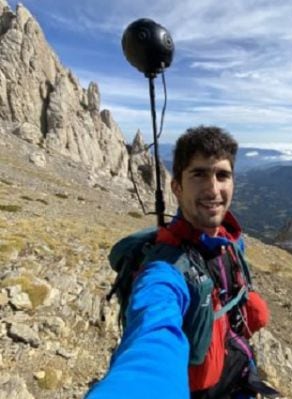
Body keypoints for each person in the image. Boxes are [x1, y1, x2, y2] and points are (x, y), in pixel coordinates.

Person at [85, 126, 272, 399]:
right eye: (199, 174)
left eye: (223, 175)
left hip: (238, 378)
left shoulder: (231, 243)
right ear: (176, 187)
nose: (213, 188)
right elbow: (153, 335)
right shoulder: (164, 270)